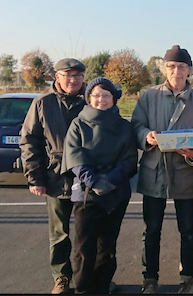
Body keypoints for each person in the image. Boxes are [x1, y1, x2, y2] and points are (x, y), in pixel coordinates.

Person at [132, 45, 193, 294]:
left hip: (185, 173)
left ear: (189, 70)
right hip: (154, 170)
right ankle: (150, 278)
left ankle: (187, 277)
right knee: (152, 229)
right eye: (171, 66)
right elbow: (136, 124)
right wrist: (146, 136)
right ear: (164, 69)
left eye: (181, 66)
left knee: (188, 230)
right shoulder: (148, 97)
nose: (176, 71)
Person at [61, 77, 138, 294]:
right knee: (84, 247)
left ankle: (103, 286)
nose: (101, 100)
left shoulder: (124, 126)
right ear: (88, 98)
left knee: (107, 247)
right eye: (96, 95)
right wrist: (94, 181)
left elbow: (129, 159)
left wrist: (110, 181)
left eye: (106, 95)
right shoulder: (78, 123)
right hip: (87, 194)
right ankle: (84, 289)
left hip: (116, 193)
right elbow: (75, 155)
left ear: (114, 99)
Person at [19, 58, 87, 294]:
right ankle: (61, 277)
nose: (73, 80)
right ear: (56, 78)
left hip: (87, 178)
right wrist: (35, 178)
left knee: (89, 231)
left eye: (78, 75)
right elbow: (30, 142)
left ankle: (90, 276)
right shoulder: (42, 103)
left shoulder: (93, 100)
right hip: (55, 177)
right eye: (67, 75)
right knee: (60, 233)